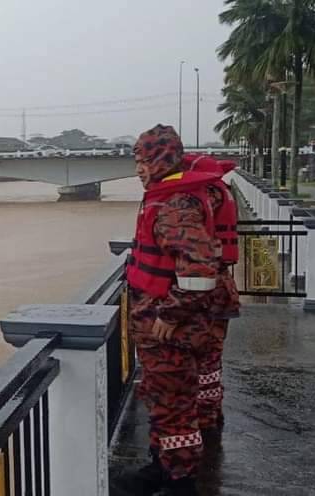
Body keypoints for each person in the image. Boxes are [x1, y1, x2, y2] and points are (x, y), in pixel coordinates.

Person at [113, 125, 222, 496]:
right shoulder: (172, 198)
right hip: (164, 328)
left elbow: (200, 271)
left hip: (169, 332)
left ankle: (179, 482)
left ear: (159, 159)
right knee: (164, 403)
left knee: (172, 407)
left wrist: (169, 315)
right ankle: (163, 468)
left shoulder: (173, 207)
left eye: (143, 161)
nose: (139, 169)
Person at [184, 153, 241, 433]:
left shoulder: (206, 197)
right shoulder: (224, 192)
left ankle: (203, 417)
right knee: (212, 355)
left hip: (209, 289)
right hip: (223, 283)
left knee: (202, 355)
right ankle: (212, 409)